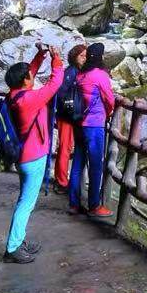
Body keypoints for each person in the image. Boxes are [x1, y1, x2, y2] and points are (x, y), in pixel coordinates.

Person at [2, 45, 64, 263]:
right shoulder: (29, 100)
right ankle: (12, 248)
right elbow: (54, 84)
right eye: (29, 75)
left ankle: (19, 240)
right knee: (25, 204)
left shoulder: (13, 95)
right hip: (33, 157)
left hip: (23, 157)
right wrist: (56, 59)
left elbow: (30, 73)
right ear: (26, 81)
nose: (32, 74)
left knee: (23, 201)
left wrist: (40, 55)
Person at [69, 41, 115, 219]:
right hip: (94, 125)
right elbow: (110, 100)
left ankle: (74, 203)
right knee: (96, 165)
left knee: (78, 163)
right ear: (101, 57)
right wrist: (108, 113)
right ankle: (94, 205)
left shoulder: (81, 74)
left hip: (79, 123)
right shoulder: (100, 75)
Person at [53, 43, 88, 192]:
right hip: (67, 116)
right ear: (74, 57)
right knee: (65, 148)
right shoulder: (70, 72)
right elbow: (60, 93)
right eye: (82, 56)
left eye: (86, 56)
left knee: (67, 148)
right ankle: (61, 182)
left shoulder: (79, 72)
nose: (84, 59)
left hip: (74, 116)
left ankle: (64, 179)